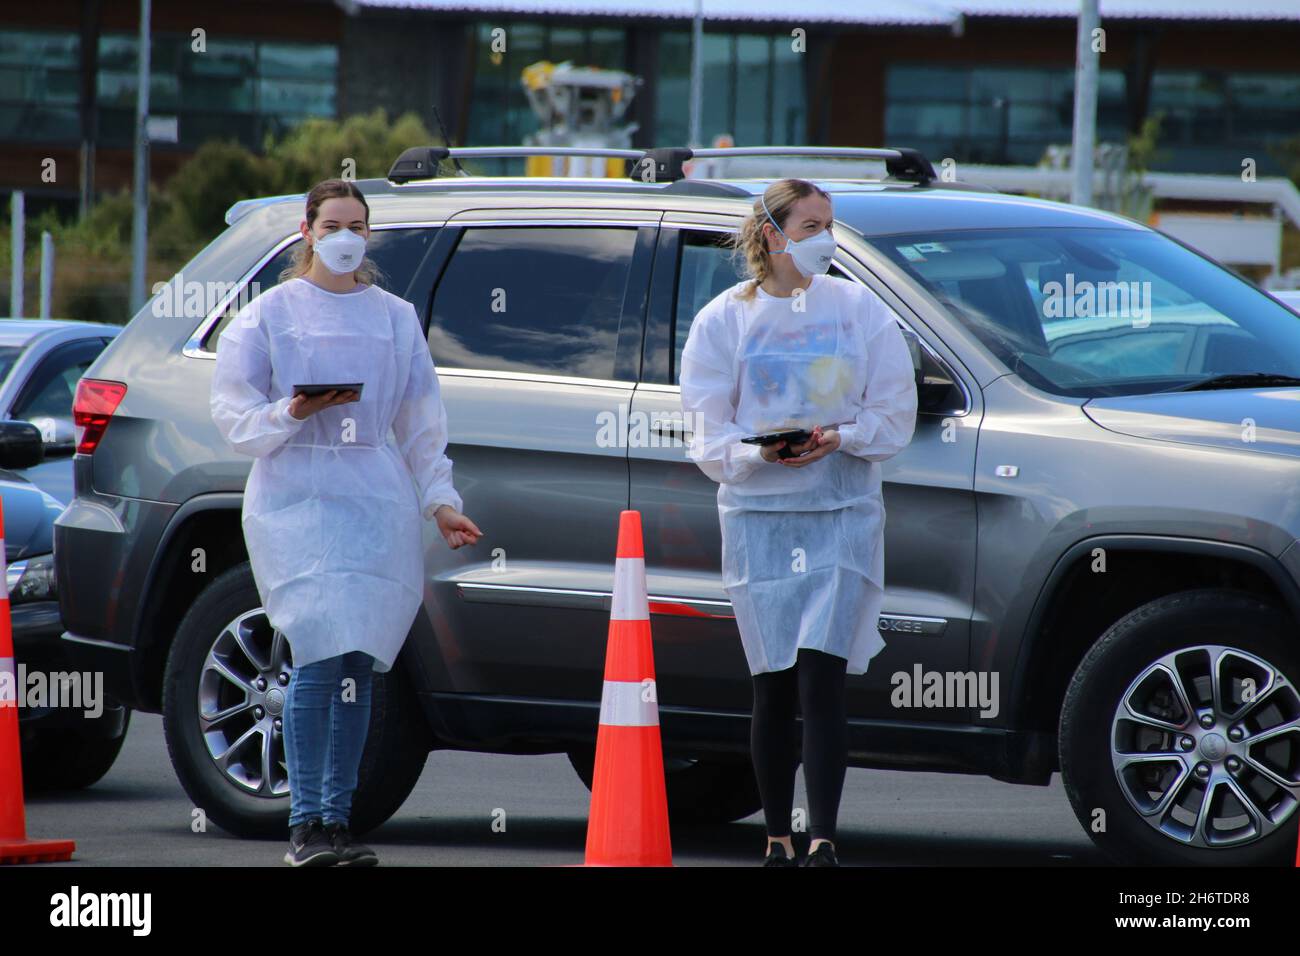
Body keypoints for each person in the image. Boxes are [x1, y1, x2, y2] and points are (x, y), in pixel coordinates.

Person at [209, 178, 482, 867]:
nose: (345, 236)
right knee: (318, 655)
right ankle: (304, 825)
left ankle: (337, 822)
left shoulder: (393, 317)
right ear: (307, 231)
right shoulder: (270, 314)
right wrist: (293, 412)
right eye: (332, 223)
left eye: (357, 224)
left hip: (372, 500)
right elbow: (236, 417)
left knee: (360, 660)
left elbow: (421, 422)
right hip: (296, 497)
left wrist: (440, 501)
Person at [679, 178, 917, 867]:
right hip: (760, 518)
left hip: (841, 511)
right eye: (810, 225)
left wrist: (838, 438)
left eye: (830, 223)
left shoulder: (860, 310)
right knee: (773, 678)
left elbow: (893, 412)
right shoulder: (725, 320)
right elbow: (705, 431)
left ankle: (824, 838)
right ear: (772, 235)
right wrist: (760, 451)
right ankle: (777, 835)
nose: (825, 238)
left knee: (822, 672)